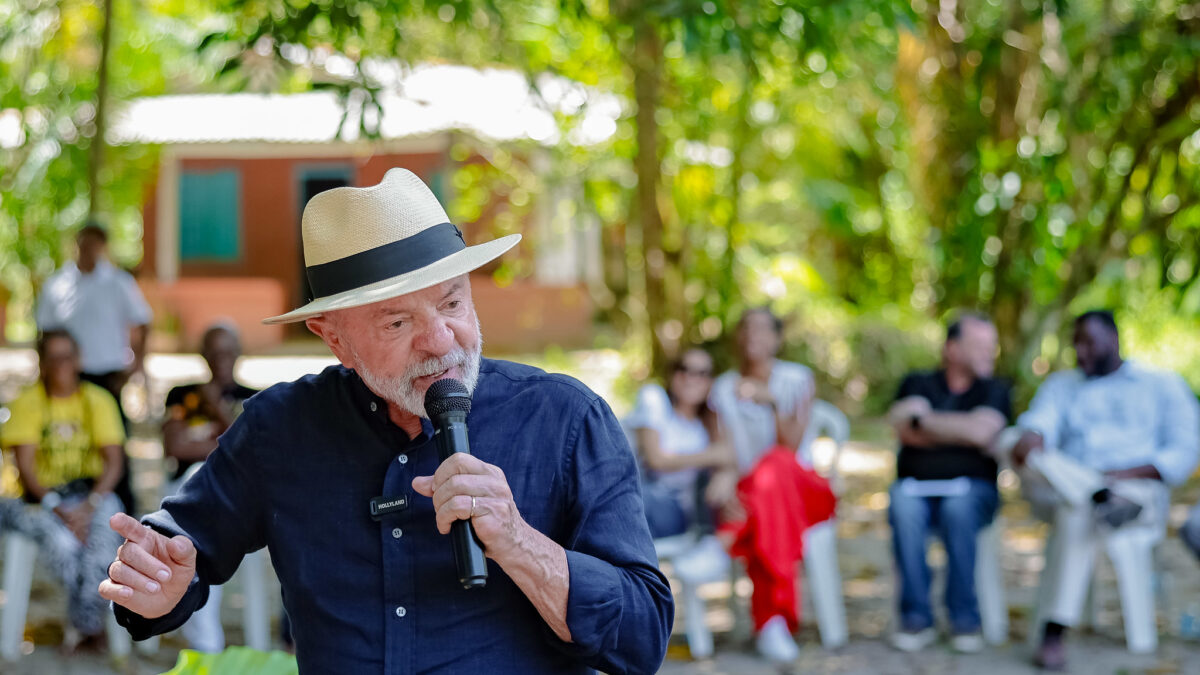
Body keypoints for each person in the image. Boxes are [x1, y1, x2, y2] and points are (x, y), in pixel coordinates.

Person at [100, 168, 673, 674]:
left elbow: (642, 640)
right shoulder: (280, 429)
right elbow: (178, 549)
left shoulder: (566, 421)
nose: (441, 341)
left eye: (452, 303)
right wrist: (157, 586)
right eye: (397, 323)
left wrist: (519, 543)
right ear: (334, 339)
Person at [1010, 310, 1200, 671]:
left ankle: (1055, 630)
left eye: (1088, 343)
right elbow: (1039, 424)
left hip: (1135, 493)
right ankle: (1096, 493)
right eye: (1075, 344)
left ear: (1113, 339)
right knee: (1012, 442)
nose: (1080, 352)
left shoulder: (1161, 385)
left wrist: (1122, 473)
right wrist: (1032, 434)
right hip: (1069, 485)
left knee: (1077, 509)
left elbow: (1183, 453)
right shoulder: (1062, 385)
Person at [708, 307, 836, 663]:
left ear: (778, 338)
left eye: (763, 329)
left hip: (804, 492)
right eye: (746, 328)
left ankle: (726, 538)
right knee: (765, 502)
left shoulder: (797, 379)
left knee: (776, 464)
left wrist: (772, 404)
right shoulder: (722, 388)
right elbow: (726, 454)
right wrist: (729, 486)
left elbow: (791, 448)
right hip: (758, 501)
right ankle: (774, 623)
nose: (753, 336)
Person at [885, 313, 1010, 653]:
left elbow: (983, 431)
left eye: (992, 345)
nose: (990, 353)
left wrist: (926, 422)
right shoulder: (917, 382)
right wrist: (963, 430)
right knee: (902, 503)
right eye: (980, 345)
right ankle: (916, 617)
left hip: (974, 491)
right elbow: (902, 428)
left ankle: (963, 619)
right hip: (915, 488)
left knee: (959, 507)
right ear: (952, 349)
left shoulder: (995, 389)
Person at [0, 330, 124, 650]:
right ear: (42, 362)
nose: (60, 365)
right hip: (40, 500)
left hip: (91, 493)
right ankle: (89, 626)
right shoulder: (28, 404)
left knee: (102, 544)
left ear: (78, 360)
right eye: (52, 357)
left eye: (67, 356)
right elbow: (26, 470)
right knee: (65, 548)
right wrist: (58, 507)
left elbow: (114, 462)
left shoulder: (98, 400)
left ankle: (83, 623)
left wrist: (90, 505)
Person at [36, 221, 152, 513]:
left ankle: (127, 511)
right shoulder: (58, 284)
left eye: (95, 244)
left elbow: (142, 320)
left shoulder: (118, 282)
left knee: (114, 442)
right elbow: (43, 333)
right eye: (84, 243)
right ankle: (78, 502)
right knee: (74, 439)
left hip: (109, 375)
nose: (89, 250)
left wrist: (135, 365)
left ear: (103, 247)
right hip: (68, 379)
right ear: (76, 244)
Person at [159, 322, 258, 653]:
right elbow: (174, 448)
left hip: (235, 500)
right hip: (188, 491)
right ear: (202, 355)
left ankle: (206, 647)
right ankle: (205, 645)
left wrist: (216, 409)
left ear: (239, 354)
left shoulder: (255, 399)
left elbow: (249, 451)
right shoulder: (181, 395)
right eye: (214, 352)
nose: (221, 359)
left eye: (227, 352)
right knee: (202, 474)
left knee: (200, 537)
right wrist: (223, 444)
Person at [626, 348, 733, 591]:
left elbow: (730, 459)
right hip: (641, 496)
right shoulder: (654, 398)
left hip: (675, 511)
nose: (691, 377)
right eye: (684, 369)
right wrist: (710, 456)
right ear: (673, 374)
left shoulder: (707, 425)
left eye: (702, 373)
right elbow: (656, 460)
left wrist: (726, 474)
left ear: (711, 382)